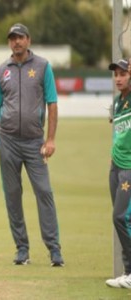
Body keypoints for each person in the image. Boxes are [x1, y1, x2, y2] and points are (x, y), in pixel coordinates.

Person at [0, 23, 64, 266]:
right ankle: (22, 249)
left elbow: (52, 103)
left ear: (28, 40)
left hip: (34, 142)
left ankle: (54, 250)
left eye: (20, 37)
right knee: (12, 195)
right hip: (7, 141)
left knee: (44, 192)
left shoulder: (42, 67)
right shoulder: (1, 70)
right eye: (12, 38)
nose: (16, 42)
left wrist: (50, 139)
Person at [105, 58, 131, 289]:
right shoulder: (116, 102)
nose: (119, 78)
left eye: (123, 74)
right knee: (123, 218)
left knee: (120, 217)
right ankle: (127, 272)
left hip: (129, 168)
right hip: (116, 166)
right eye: (116, 74)